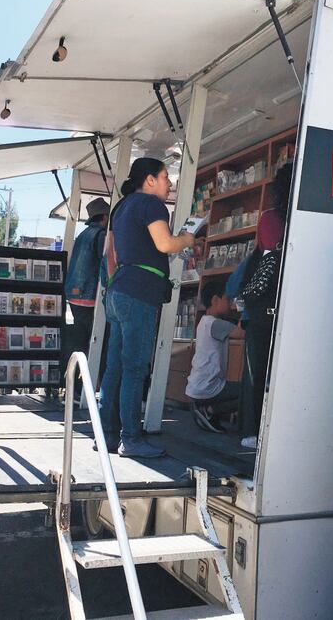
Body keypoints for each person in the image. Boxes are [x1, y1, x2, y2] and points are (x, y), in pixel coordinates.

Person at [99, 157, 194, 458]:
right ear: (150, 180)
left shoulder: (121, 207)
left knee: (114, 368)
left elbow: (109, 253)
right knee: (135, 368)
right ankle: (132, 439)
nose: (170, 184)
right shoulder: (152, 205)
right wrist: (187, 239)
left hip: (118, 289)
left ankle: (107, 436)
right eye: (166, 177)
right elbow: (165, 244)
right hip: (139, 292)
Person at [238, 163, 292, 449]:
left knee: (257, 369)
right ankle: (253, 429)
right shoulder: (283, 218)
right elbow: (275, 255)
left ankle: (253, 429)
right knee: (268, 369)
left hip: (266, 304)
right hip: (277, 302)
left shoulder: (271, 217)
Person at [64, 197, 109, 397]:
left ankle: (75, 388)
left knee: (81, 342)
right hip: (90, 296)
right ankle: (91, 389)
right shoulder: (99, 235)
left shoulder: (82, 235)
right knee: (96, 342)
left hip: (74, 295)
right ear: (105, 217)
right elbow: (105, 265)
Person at [186, 281, 245, 433]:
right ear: (215, 300)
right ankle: (209, 410)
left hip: (197, 384)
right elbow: (241, 333)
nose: (230, 303)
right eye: (227, 299)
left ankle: (205, 409)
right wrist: (245, 309)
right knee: (248, 392)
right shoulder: (216, 324)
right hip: (208, 386)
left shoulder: (204, 322)